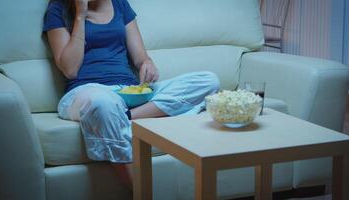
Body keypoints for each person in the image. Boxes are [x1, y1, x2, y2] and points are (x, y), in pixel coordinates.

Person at [43, 0, 220, 188]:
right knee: (104, 103)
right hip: (87, 92)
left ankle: (124, 118)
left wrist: (146, 63)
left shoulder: (119, 3)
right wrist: (80, 14)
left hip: (128, 93)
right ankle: (140, 191)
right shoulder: (58, 8)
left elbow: (140, 56)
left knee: (208, 81)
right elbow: (70, 69)